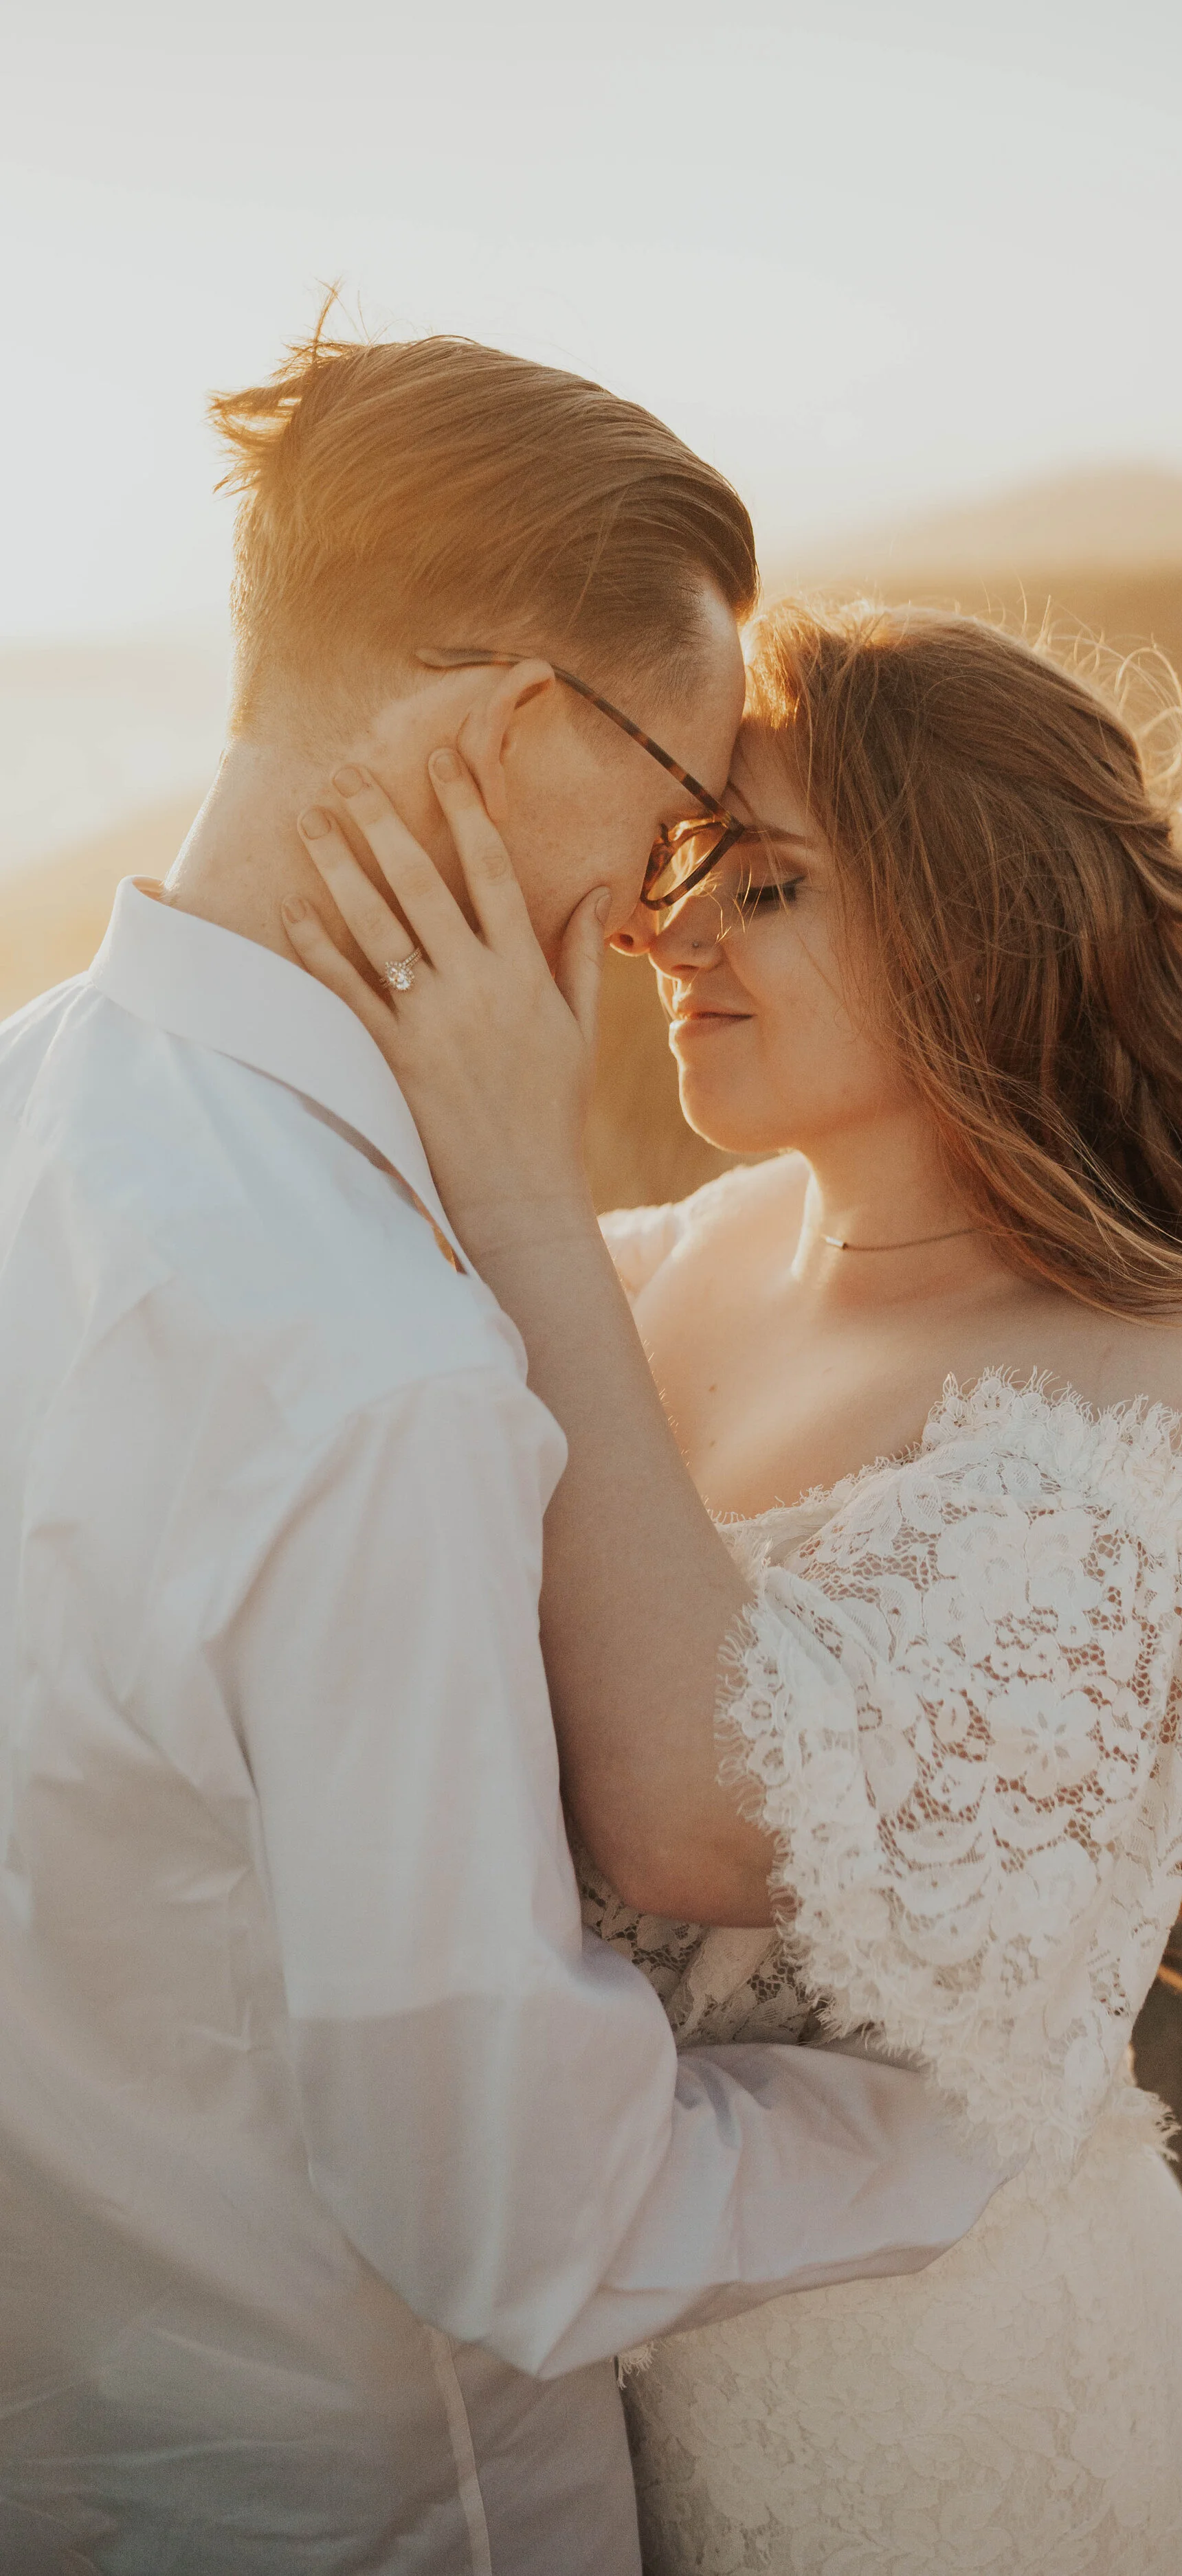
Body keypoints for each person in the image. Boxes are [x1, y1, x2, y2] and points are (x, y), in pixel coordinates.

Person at [284, 596, 1182, 2571]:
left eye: (757, 885)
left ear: (974, 919)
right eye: (675, 875)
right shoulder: (691, 1259)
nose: (667, 937)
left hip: (930, 2425)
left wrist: (516, 1181)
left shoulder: (1163, 1377)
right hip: (589, 2385)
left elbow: (685, 1805)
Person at [0, 337, 1007, 2576]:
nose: (662, 909)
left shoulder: (23, 1105)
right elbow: (517, 2215)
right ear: (501, 735)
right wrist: (934, 2141)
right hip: (378, 2504)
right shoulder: (372, 1364)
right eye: (668, 810)